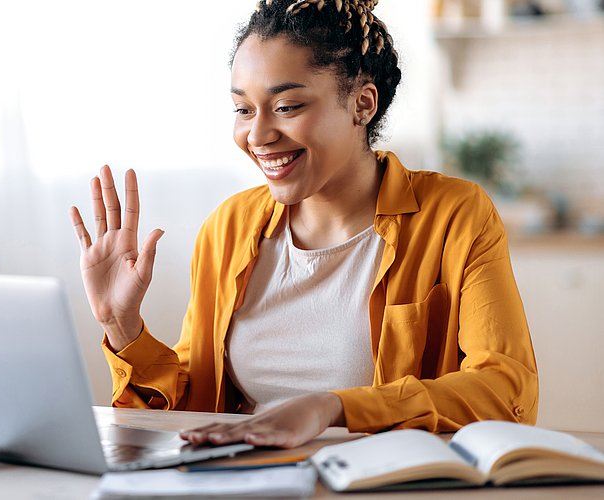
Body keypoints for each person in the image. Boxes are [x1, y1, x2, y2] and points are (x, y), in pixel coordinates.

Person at [69, 0, 537, 449]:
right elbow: (196, 409)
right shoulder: (228, 227)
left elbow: (505, 390)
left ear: (362, 104)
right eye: (243, 109)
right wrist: (121, 324)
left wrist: (333, 408)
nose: (257, 135)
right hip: (249, 483)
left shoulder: (454, 215)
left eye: (287, 106)